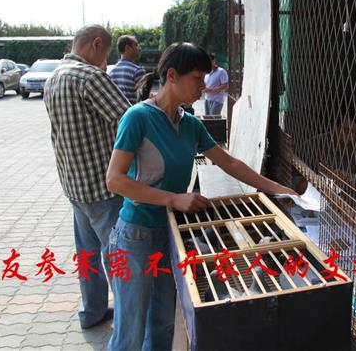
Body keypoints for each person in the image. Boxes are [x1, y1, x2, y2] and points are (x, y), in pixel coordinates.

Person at [105, 42, 296, 351]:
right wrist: (173, 199)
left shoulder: (190, 123)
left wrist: (275, 187)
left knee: (163, 322)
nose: (203, 87)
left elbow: (230, 163)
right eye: (197, 78)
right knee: (130, 329)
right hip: (137, 234)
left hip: (171, 233)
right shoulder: (138, 117)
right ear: (172, 76)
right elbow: (115, 180)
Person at [43, 25, 131, 329]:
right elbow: (130, 120)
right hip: (103, 189)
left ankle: (92, 313)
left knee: (88, 256)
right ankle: (128, 321)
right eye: (105, 54)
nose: (105, 62)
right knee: (117, 255)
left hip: (74, 186)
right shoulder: (90, 77)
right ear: (95, 44)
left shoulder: (54, 77)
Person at [109, 35, 144, 104]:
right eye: (136, 45)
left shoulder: (112, 71)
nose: (139, 48)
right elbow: (143, 99)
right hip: (134, 110)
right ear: (127, 48)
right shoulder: (137, 71)